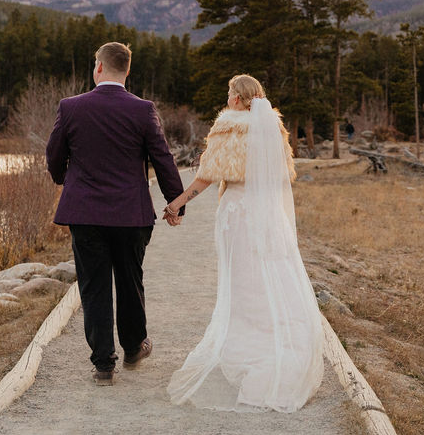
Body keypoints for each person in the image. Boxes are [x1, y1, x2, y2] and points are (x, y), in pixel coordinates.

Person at [163, 74, 323, 412]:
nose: (228, 98)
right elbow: (282, 177)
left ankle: (247, 351)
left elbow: (207, 175)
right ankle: (275, 346)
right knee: (269, 278)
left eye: (229, 93)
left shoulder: (229, 126)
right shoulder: (273, 130)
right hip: (268, 215)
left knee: (241, 283)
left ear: (237, 98)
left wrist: (177, 202)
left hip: (237, 214)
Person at [46, 42, 185, 386]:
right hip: (130, 214)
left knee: (93, 286)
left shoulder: (71, 107)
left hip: (86, 213)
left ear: (98, 68)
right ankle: (134, 348)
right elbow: (162, 158)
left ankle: (103, 364)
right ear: (127, 72)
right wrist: (176, 202)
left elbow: (54, 156)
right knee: (130, 280)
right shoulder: (143, 110)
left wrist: (68, 180)